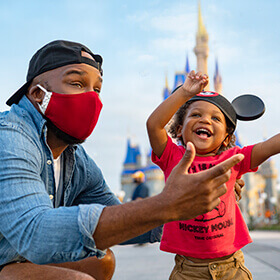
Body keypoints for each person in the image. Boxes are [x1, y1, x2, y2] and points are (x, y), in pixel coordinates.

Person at [0, 40, 245, 280]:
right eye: (76, 83)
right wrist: (165, 205)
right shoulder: (10, 138)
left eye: (96, 89)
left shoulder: (73, 157)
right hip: (9, 257)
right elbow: (35, 232)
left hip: (17, 257)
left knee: (101, 261)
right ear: (36, 94)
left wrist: (197, 204)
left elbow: (119, 216)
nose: (91, 98)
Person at [146, 70, 280, 280]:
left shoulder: (233, 159)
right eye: (196, 115)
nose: (205, 120)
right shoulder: (173, 157)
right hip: (188, 269)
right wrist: (184, 93)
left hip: (232, 266)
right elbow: (153, 125)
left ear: (227, 138)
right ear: (179, 129)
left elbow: (269, 146)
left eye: (216, 118)